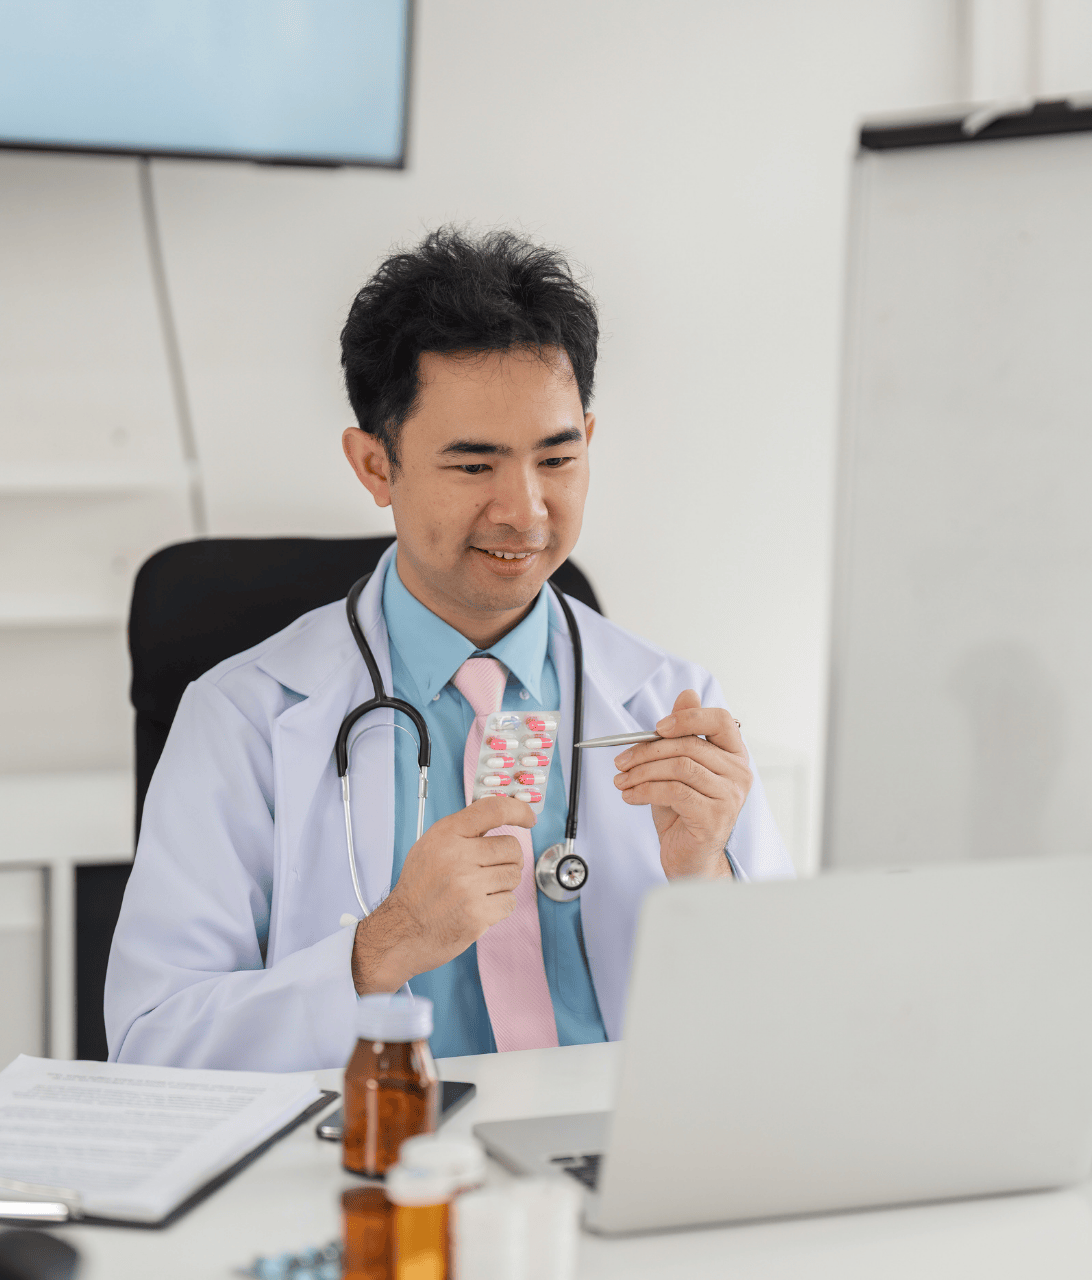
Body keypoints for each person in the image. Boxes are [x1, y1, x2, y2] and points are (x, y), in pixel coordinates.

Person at [106, 228, 792, 1071]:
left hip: (608, 1158)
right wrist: (383, 949)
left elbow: (786, 1034)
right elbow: (152, 1046)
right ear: (375, 466)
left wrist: (705, 882)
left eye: (558, 457)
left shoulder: (671, 704)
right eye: (474, 466)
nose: (526, 509)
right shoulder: (244, 716)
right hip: (378, 1163)